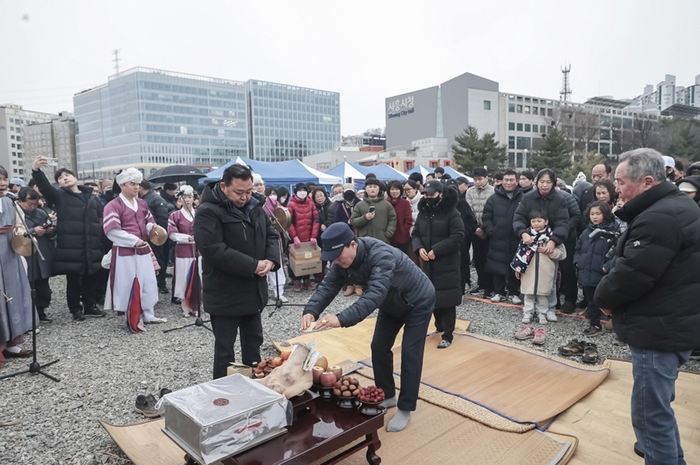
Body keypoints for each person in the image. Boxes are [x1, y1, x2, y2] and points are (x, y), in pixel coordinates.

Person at [594, 148, 700, 464]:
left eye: (621, 181)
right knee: (658, 409)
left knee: (650, 414)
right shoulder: (675, 205)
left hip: (659, 327)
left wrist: (603, 300)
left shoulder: (659, 216)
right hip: (671, 320)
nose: (616, 188)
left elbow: (632, 275)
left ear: (647, 182)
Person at [301, 222, 436, 432]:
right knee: (379, 347)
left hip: (418, 301)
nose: (335, 260)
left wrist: (342, 318)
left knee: (410, 353)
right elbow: (328, 286)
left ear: (352, 244)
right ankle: (388, 394)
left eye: (338, 255)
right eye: (331, 257)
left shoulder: (381, 255)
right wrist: (311, 310)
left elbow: (374, 294)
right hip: (391, 303)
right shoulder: (341, 261)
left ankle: (405, 408)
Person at [194, 164, 279, 379]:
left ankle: (256, 385)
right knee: (225, 351)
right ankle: (224, 394)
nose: (245, 197)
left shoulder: (256, 206)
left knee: (254, 344)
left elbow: (271, 235)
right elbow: (214, 250)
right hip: (225, 292)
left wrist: (270, 260)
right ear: (223, 186)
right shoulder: (208, 211)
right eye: (239, 192)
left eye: (249, 191)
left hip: (253, 290)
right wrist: (252, 265)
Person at [31, 156, 105, 321]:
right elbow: (44, 187)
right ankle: (75, 309)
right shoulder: (59, 196)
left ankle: (90, 305)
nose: (64, 178)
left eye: (67, 175)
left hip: (91, 243)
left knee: (91, 275)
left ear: (75, 177)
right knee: (73, 277)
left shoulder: (91, 196)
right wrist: (36, 170)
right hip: (71, 244)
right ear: (59, 183)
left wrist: (98, 231)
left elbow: (100, 216)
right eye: (60, 178)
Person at [104, 168, 167, 328]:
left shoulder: (141, 203)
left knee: (149, 281)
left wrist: (153, 230)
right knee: (128, 283)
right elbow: (112, 231)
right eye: (133, 184)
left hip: (144, 249)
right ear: (122, 184)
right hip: (125, 251)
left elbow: (149, 222)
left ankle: (149, 314)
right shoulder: (113, 205)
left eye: (138, 184)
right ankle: (132, 316)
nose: (136, 187)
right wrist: (134, 240)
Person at [513, 168, 570, 323]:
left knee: (550, 278)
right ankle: (529, 309)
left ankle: (549, 309)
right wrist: (522, 233)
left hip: (549, 243)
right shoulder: (528, 197)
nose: (544, 185)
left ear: (553, 183)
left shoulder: (560, 199)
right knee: (528, 278)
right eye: (542, 182)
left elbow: (563, 223)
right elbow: (518, 217)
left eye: (548, 182)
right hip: (529, 243)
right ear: (536, 182)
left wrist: (554, 241)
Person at [412, 180, 464, 349]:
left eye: (432, 194)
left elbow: (458, 236)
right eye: (426, 194)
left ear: (440, 194)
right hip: (427, 263)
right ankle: (438, 327)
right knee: (431, 296)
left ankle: (448, 334)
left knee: (447, 299)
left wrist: (437, 249)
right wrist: (419, 248)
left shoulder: (452, 212)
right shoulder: (424, 211)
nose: (428, 197)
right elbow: (416, 233)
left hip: (446, 263)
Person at [511, 210, 566, 344]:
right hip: (528, 271)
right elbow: (520, 253)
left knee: (543, 295)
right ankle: (528, 312)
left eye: (539, 221)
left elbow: (562, 254)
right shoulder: (527, 237)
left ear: (546, 222)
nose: (536, 224)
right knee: (528, 294)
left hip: (545, 271)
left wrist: (549, 251)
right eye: (533, 221)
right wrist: (518, 268)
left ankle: (542, 313)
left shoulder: (552, 238)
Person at [0, 166, 34, 365]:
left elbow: (19, 224)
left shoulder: (9, 200)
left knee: (13, 294)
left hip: (9, 252)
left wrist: (19, 231)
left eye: (4, 179)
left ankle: (12, 342)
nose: (3, 183)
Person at [573, 200, 619, 337]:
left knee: (606, 299)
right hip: (586, 272)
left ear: (605, 214)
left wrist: (607, 267)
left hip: (603, 274)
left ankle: (615, 323)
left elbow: (617, 254)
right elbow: (578, 249)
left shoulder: (613, 233)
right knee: (591, 299)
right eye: (592, 214)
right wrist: (578, 262)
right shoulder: (586, 232)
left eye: (598, 213)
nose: (594, 216)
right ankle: (594, 323)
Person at [482, 170, 523, 304]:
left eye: (512, 180)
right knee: (496, 265)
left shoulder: (523, 197)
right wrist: (491, 230)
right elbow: (486, 217)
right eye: (506, 180)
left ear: (516, 181)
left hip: (517, 238)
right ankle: (499, 291)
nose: (508, 183)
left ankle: (514, 292)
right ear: (501, 181)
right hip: (497, 237)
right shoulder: (494, 198)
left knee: (515, 265)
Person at [17, 187, 56, 322]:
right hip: (25, 252)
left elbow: (52, 230)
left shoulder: (41, 212)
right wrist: (33, 231)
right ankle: (29, 315)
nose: (33, 207)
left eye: (35, 204)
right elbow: (16, 232)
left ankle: (41, 310)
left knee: (43, 285)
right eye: (29, 204)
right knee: (28, 284)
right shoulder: (16, 213)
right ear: (20, 202)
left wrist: (50, 230)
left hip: (42, 251)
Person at [167, 185, 201, 315]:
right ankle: (185, 305)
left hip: (198, 251)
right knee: (183, 278)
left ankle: (197, 304)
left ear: (194, 198)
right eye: (184, 197)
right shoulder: (175, 215)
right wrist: (187, 238)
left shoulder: (199, 213)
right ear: (180, 199)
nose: (187, 200)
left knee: (199, 277)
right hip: (183, 251)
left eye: (190, 197)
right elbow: (172, 234)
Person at [466, 167, 495, 297]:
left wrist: (484, 228)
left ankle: (490, 285)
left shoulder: (493, 192)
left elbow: (493, 212)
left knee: (488, 258)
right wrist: (475, 228)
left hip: (488, 229)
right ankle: (481, 283)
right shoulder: (469, 192)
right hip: (475, 229)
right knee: (478, 258)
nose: (477, 182)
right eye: (475, 179)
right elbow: (469, 211)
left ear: (486, 178)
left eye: (480, 179)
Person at [287, 183, 320, 292]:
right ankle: (296, 280)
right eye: (300, 190)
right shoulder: (291, 204)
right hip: (296, 237)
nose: (302, 192)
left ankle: (306, 280)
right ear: (296, 191)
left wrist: (314, 236)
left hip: (309, 236)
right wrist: (294, 236)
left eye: (304, 190)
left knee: (307, 258)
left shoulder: (310, 203)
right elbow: (288, 222)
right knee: (295, 259)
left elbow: (316, 220)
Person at [139, 179, 171, 295]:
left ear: (141, 188)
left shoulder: (155, 199)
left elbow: (162, 219)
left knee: (159, 259)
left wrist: (158, 235)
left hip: (156, 235)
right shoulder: (145, 199)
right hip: (149, 235)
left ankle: (161, 283)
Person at [350, 177, 397, 245]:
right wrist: (365, 218)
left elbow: (393, 219)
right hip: (365, 241)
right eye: (370, 187)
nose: (372, 189)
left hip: (383, 241)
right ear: (365, 189)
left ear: (379, 189)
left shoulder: (387, 205)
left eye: (375, 187)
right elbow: (353, 221)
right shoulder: (359, 205)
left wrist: (388, 233)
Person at [262, 185, 288, 303]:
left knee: (276, 263)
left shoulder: (273, 203)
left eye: (260, 185)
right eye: (255, 185)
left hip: (273, 237)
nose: (258, 187)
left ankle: (279, 292)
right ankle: (263, 292)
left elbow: (282, 215)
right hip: (258, 238)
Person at [454, 177, 477, 294]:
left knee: (462, 264)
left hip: (461, 240)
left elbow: (471, 221)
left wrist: (464, 233)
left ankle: (461, 288)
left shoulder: (463, 203)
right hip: (446, 241)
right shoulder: (441, 205)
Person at [386, 180, 412, 255]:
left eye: (397, 189)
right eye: (392, 189)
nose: (395, 192)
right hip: (389, 238)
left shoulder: (405, 203)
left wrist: (404, 231)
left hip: (402, 237)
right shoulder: (386, 203)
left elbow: (408, 219)